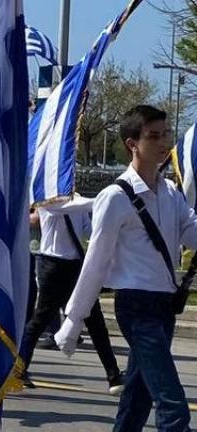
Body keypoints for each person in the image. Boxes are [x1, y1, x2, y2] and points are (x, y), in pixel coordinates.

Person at [55, 105, 193, 431]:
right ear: (133, 144)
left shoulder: (171, 193)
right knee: (172, 404)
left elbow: (191, 230)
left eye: (167, 134)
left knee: (138, 397)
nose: (164, 142)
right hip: (136, 306)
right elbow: (96, 261)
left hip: (163, 306)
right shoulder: (114, 197)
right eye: (153, 136)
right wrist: (73, 320)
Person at [18, 196, 123, 395]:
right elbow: (80, 204)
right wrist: (112, 197)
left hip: (75, 266)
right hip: (52, 264)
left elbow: (87, 228)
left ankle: (113, 375)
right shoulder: (48, 201)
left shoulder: (76, 204)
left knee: (95, 322)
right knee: (41, 318)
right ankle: (19, 368)